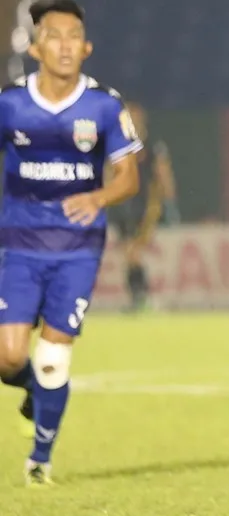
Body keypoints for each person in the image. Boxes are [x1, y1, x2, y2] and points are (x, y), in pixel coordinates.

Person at [0, 0, 141, 484]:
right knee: (8, 357)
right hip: (18, 243)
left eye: (73, 37)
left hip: (77, 247)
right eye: (54, 37)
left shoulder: (104, 105)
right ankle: (36, 391)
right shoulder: (10, 104)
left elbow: (129, 178)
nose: (64, 46)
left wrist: (98, 197)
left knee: (53, 356)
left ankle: (40, 459)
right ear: (36, 48)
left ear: (87, 48)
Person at [107, 102, 177, 312]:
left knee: (133, 252)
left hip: (144, 205)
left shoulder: (153, 145)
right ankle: (139, 297)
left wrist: (169, 198)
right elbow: (109, 172)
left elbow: (163, 171)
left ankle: (141, 296)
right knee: (129, 254)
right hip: (122, 206)